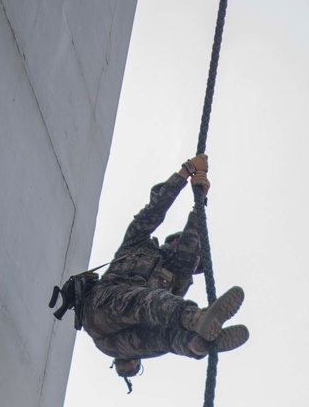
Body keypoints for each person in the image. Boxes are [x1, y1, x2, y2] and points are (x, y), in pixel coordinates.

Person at [49, 154, 249, 384]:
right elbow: (155, 209)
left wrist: (200, 201)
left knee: (165, 338)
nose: (181, 249)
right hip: (100, 314)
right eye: (176, 243)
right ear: (168, 243)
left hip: (123, 340)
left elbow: (191, 246)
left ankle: (198, 343)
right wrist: (187, 171)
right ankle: (198, 321)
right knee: (150, 302)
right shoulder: (136, 244)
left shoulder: (179, 277)